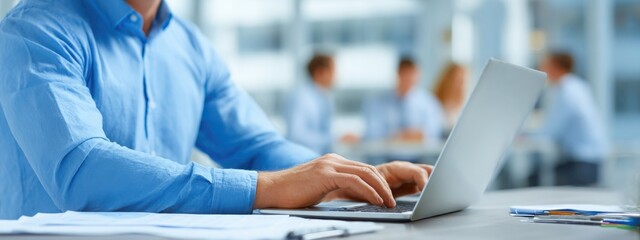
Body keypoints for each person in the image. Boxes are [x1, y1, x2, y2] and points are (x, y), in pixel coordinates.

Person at [0, 0, 433, 219]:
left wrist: (349, 179)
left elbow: (256, 149)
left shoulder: (189, 47)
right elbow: (81, 170)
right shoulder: (35, 30)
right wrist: (263, 188)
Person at [538, 52, 607, 186]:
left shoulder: (565, 92)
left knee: (534, 181)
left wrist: (525, 136)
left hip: (580, 163)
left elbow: (551, 130)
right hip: (592, 160)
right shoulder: (577, 86)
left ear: (556, 67)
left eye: (545, 65)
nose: (542, 69)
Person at [363, 57, 445, 143]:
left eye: (412, 74)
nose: (408, 78)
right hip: (387, 154)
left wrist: (419, 134)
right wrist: (395, 136)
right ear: (398, 73)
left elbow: (435, 130)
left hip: (420, 154)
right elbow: (372, 133)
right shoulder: (379, 103)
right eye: (405, 73)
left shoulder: (428, 103)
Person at [284, 54, 335, 154]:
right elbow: (296, 135)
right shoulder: (301, 98)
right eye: (332, 71)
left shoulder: (324, 97)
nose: (335, 77)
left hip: (319, 158)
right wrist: (333, 138)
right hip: (303, 158)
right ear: (320, 72)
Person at [433, 63, 468, 129]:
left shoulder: (463, 106)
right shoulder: (433, 104)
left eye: (463, 81)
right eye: (459, 80)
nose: (461, 85)